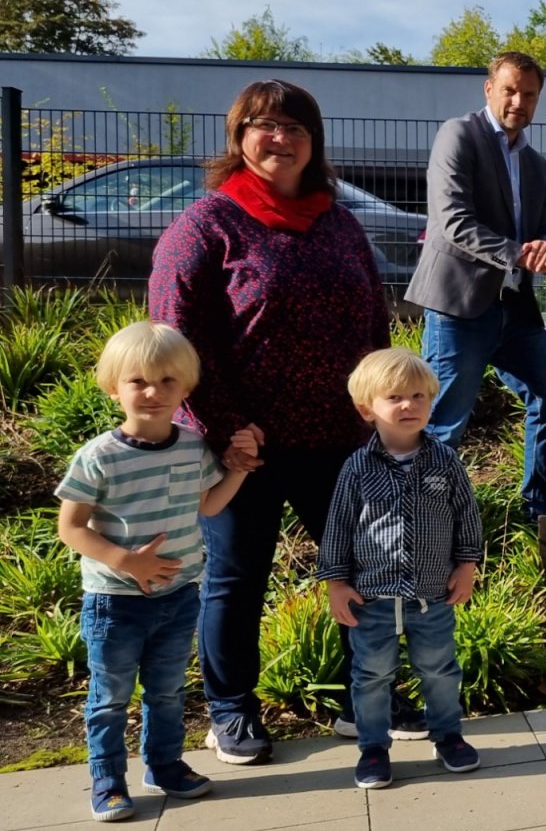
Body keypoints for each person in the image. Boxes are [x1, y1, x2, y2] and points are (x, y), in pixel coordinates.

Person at [149, 79, 396, 765]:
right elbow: (173, 339)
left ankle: (363, 699)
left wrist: (376, 408)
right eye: (263, 125)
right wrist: (226, 425)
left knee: (360, 567)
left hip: (338, 438)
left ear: (313, 144)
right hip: (241, 445)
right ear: (239, 138)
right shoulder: (204, 227)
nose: (279, 138)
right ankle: (230, 711)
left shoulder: (339, 223)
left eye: (294, 127)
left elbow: (373, 322)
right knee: (236, 578)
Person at [54, 322, 256, 821]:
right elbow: (72, 528)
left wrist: (238, 470)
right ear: (112, 386)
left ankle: (165, 765)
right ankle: (108, 781)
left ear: (186, 389)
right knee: (110, 697)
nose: (152, 392)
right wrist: (128, 562)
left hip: (178, 595)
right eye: (138, 380)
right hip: (115, 601)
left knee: (167, 691)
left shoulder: (191, 446)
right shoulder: (99, 457)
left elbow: (209, 507)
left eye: (168, 381)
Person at [404, 50, 546, 526]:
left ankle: (542, 513)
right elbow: (453, 221)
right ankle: (427, 522)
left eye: (529, 94)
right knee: (444, 419)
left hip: (516, 307)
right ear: (489, 89)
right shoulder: (459, 135)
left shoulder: (537, 164)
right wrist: (521, 253)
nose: (518, 101)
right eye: (509, 89)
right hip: (460, 304)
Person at [316, 348, 484, 789]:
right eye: (395, 397)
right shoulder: (356, 467)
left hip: (432, 595)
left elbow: (467, 515)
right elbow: (337, 527)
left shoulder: (445, 461)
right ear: (366, 408)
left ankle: (448, 736)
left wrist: (467, 565)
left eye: (418, 396)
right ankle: (373, 748)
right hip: (372, 598)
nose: (408, 405)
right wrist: (336, 583)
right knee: (371, 675)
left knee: (440, 669)